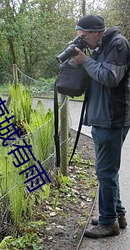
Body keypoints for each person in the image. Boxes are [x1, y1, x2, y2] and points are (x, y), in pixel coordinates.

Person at [72, 15, 130, 238]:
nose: (83, 41)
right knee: (107, 171)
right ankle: (117, 214)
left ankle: (108, 223)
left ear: (96, 32)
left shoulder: (118, 44)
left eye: (84, 37)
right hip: (102, 117)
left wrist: (85, 61)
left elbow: (109, 77)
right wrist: (82, 60)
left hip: (112, 118)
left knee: (105, 171)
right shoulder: (101, 46)